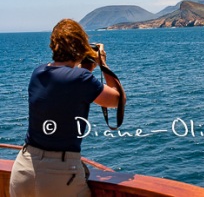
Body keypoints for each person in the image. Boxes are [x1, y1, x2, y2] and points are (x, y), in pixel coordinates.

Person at [9, 19, 121, 197]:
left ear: (54, 45)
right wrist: (103, 65)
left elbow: (69, 86)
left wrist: (86, 69)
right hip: (60, 175)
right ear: (81, 46)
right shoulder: (81, 79)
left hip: (24, 169)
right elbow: (116, 100)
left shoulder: (38, 73)